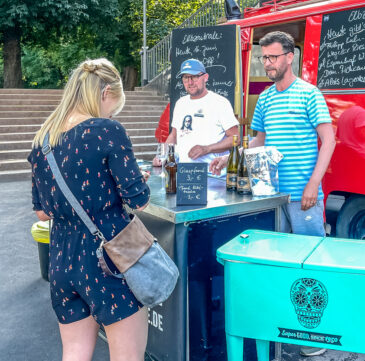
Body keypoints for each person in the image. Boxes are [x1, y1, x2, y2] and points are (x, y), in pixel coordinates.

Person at [211, 31, 335, 356]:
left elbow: (329, 140)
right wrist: (230, 157)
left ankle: (314, 338)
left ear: (289, 57)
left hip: (303, 197)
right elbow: (257, 143)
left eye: (273, 57)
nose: (267, 63)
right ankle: (285, 330)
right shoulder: (265, 99)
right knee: (279, 264)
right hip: (270, 199)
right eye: (264, 58)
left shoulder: (310, 94)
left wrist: (313, 184)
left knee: (311, 266)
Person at [28, 58, 151, 361]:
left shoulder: (44, 140)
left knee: (74, 352)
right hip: (108, 258)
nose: (112, 113)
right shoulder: (107, 130)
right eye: (114, 105)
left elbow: (42, 212)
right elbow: (139, 200)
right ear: (106, 92)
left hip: (62, 260)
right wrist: (132, 180)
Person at [164, 58, 239, 164]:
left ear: (205, 77)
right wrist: (162, 155)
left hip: (212, 174)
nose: (190, 82)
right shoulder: (180, 103)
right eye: (186, 77)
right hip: (183, 172)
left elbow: (235, 138)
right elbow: (173, 135)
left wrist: (206, 149)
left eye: (194, 77)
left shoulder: (220, 103)